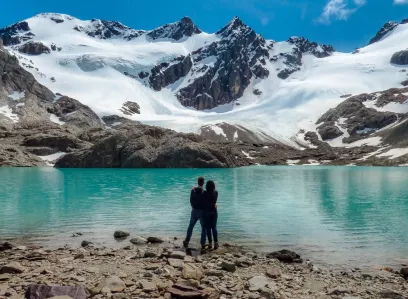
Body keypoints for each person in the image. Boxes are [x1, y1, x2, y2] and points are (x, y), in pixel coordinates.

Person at [183, 177, 206, 248]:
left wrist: (193, 207)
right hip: (202, 211)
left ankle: (187, 241)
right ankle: (203, 244)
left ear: (198, 182)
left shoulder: (193, 190)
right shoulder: (204, 192)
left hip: (194, 211)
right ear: (203, 183)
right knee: (203, 228)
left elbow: (191, 200)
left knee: (191, 226)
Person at [202, 180, 219, 250]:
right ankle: (216, 243)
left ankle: (210, 243)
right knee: (214, 227)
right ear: (214, 186)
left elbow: (203, 201)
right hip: (214, 212)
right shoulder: (216, 192)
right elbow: (214, 201)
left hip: (207, 212)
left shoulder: (204, 193)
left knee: (208, 228)